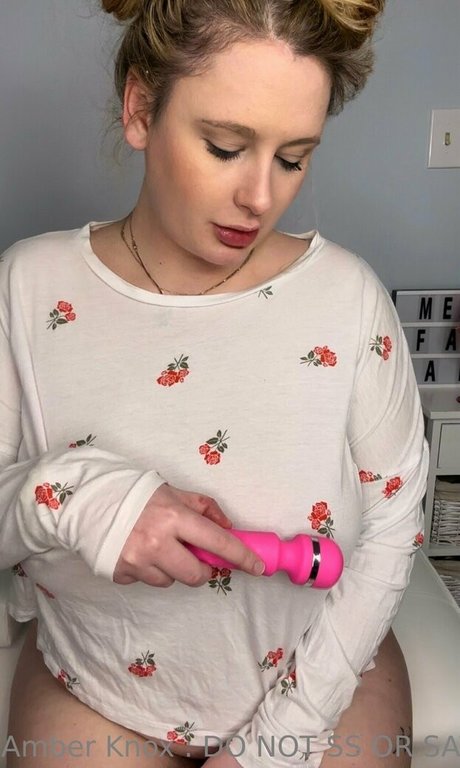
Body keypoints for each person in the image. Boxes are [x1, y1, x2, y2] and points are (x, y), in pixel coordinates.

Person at [1, 1, 429, 766]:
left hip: (321, 683)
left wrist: (278, 740)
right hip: (95, 685)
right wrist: (79, 498)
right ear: (141, 109)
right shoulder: (27, 289)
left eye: (293, 158)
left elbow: (395, 523)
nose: (260, 197)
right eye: (225, 147)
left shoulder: (346, 298)